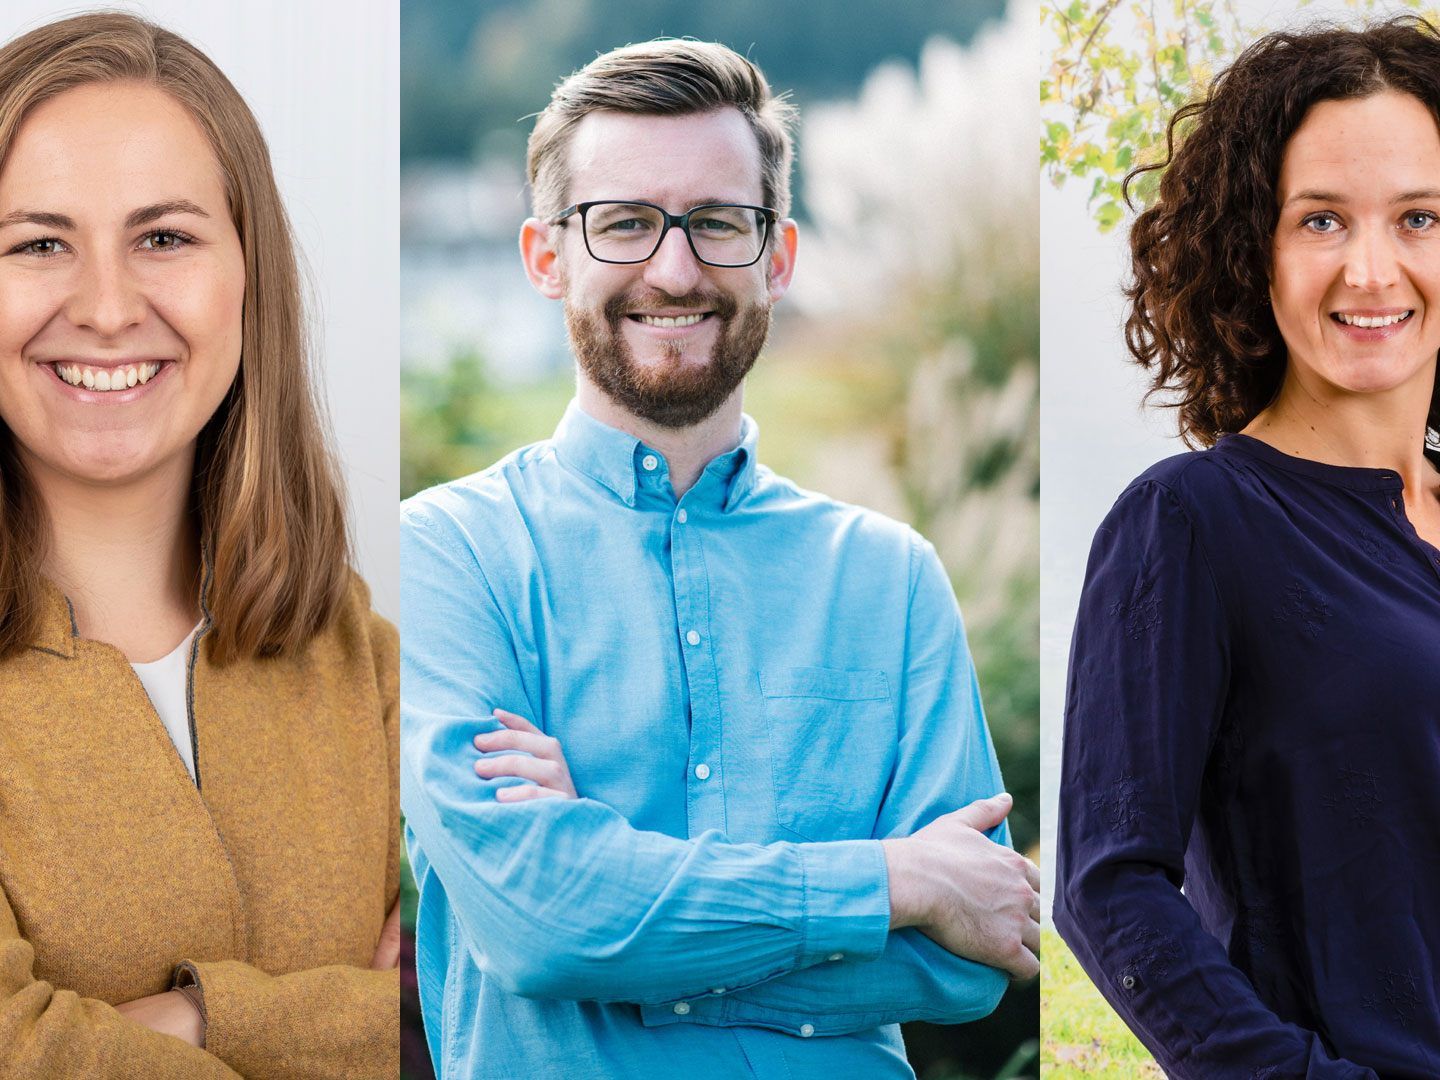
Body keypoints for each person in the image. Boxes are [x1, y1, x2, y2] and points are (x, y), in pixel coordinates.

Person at [401, 39, 1040, 1080]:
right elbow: (537, 927)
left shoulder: (889, 577)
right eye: (624, 223)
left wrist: (615, 907)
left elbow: (966, 965)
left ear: (778, 255)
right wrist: (888, 885)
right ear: (545, 256)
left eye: (717, 222)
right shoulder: (444, 555)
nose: (674, 268)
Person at [0, 13, 398, 1077]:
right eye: (39, 243)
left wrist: (175, 1022)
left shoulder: (361, 654)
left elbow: (482, 998)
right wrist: (351, 1020)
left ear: (248, 278)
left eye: (163, 237)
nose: (106, 306)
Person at [1054, 17, 1440, 1078]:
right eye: (1321, 221)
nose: (1372, 269)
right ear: (1249, 249)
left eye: (1419, 217)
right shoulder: (1191, 523)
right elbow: (1108, 885)